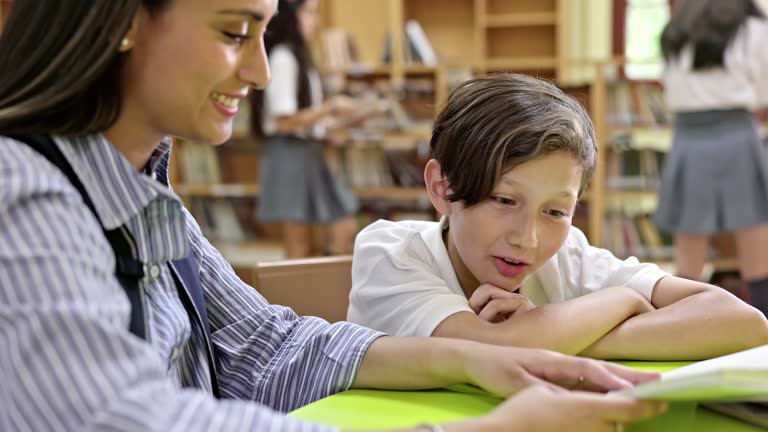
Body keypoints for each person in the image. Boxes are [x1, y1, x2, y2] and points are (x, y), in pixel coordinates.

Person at [0, 1, 669, 431]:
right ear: (120, 19)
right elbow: (134, 421)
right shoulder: (23, 195)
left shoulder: (144, 192)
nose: (259, 72)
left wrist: (465, 359)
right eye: (235, 32)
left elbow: (266, 345)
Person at [348, 73, 768, 360]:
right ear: (441, 187)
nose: (528, 238)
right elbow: (489, 348)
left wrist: (557, 333)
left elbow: (744, 322)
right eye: (504, 200)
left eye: (555, 211)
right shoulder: (388, 251)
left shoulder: (566, 254)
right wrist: (622, 302)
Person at [655, 0, 768, 317]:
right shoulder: (754, 26)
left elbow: (669, 87)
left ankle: (681, 328)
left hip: (689, 138)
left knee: (689, 253)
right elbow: (763, 92)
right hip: (738, 133)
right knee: (757, 245)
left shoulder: (675, 29)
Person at [250, 0, 359, 258]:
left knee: (342, 227)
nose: (315, 21)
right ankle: (298, 297)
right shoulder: (284, 58)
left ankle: (322, 286)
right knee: (298, 241)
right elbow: (284, 121)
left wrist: (331, 128)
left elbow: (303, 118)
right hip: (289, 153)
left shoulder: (302, 57)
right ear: (291, 16)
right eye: (309, 13)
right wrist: (331, 108)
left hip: (309, 152)